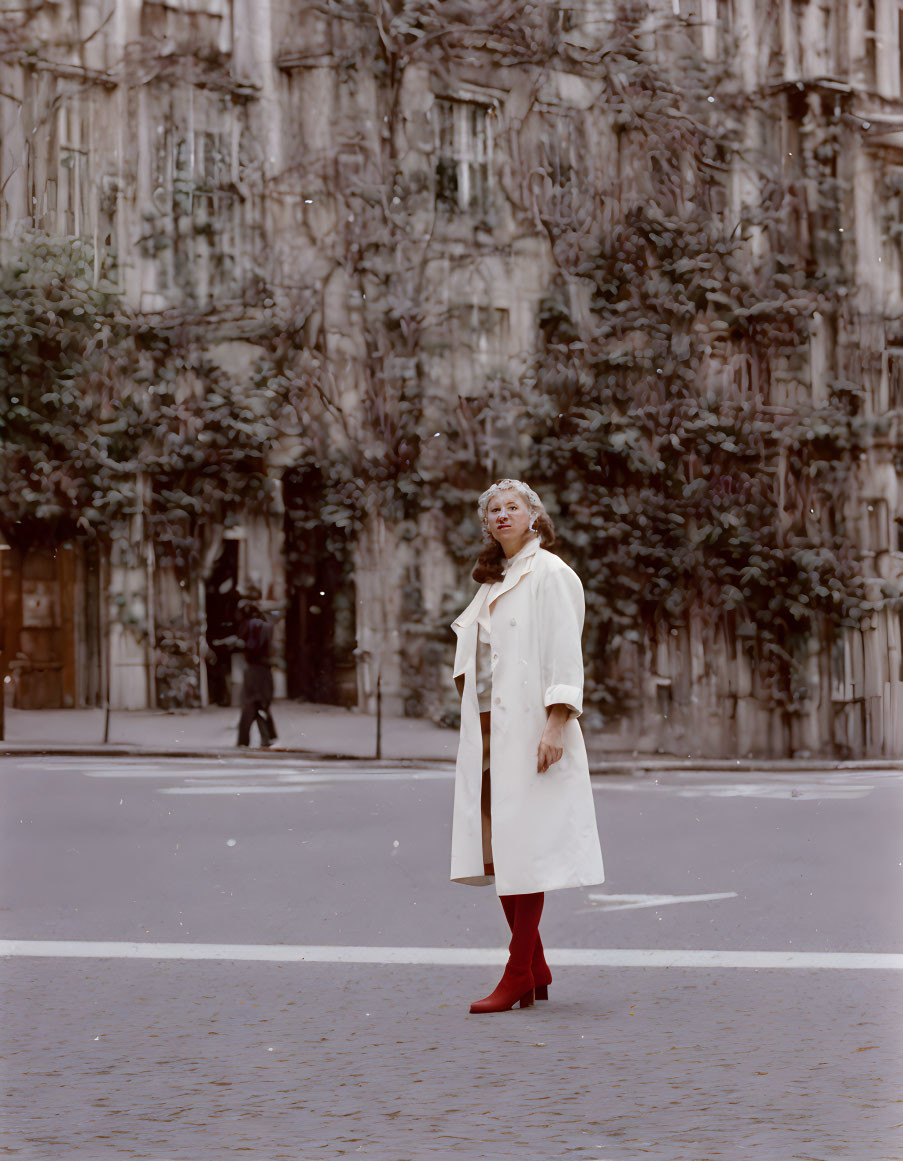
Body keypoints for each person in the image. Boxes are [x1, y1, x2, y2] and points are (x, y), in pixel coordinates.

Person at [450, 479, 605, 1014]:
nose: (501, 514)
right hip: (496, 727)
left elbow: (565, 652)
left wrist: (556, 725)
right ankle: (535, 967)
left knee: (525, 849)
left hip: (534, 728)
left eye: (512, 506)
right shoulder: (496, 579)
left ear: (533, 516)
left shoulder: (551, 574)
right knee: (504, 848)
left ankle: (518, 972)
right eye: (493, 508)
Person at [236, 597, 278, 748]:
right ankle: (268, 737)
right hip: (264, 669)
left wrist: (238, 644)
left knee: (251, 704)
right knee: (261, 704)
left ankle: (246, 739)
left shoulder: (250, 625)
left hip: (254, 669)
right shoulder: (267, 626)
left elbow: (251, 646)